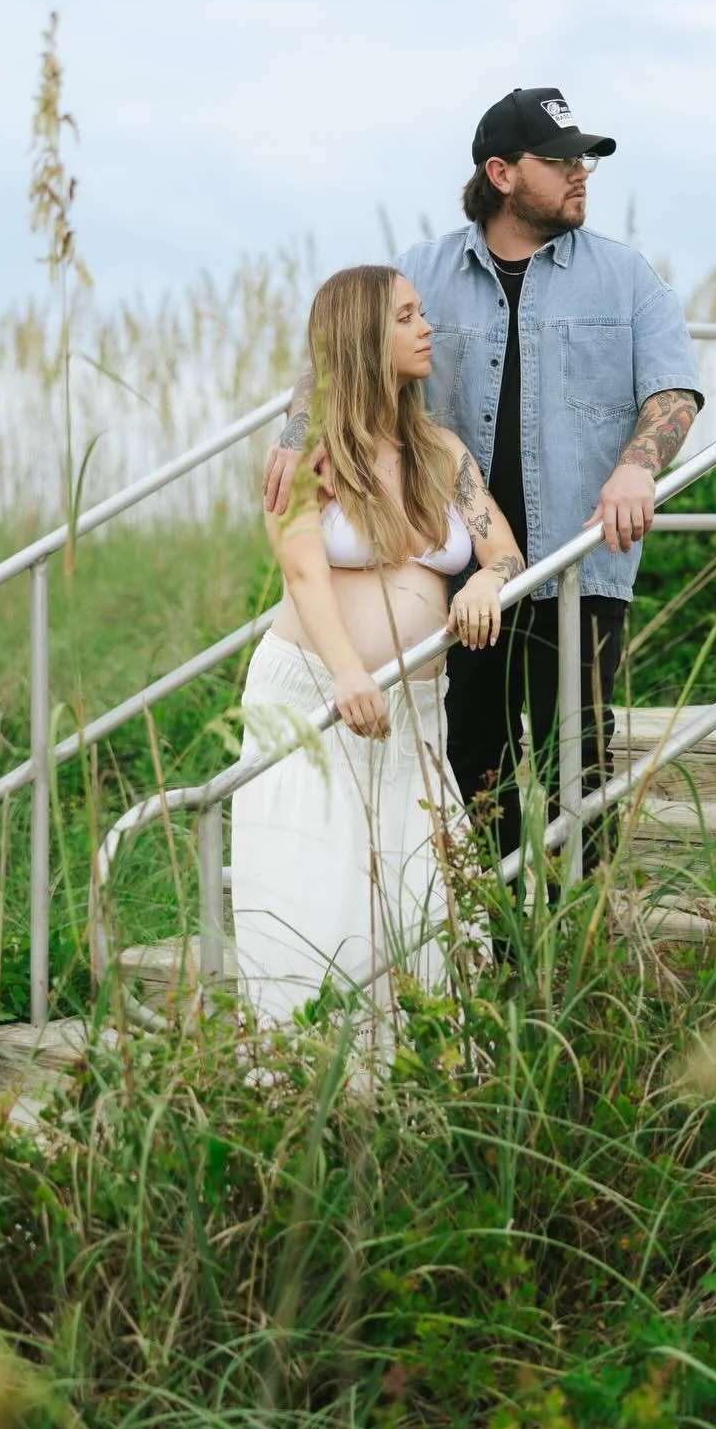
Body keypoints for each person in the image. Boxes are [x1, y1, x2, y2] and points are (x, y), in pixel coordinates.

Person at [263, 87, 703, 875]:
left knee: (584, 771)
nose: (581, 174)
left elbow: (673, 389)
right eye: (561, 159)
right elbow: (344, 356)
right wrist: (298, 434)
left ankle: (577, 954)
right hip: (464, 579)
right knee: (473, 774)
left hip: (582, 568)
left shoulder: (626, 276)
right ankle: (492, 957)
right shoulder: (424, 273)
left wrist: (640, 465)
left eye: (585, 160)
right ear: (501, 172)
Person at [231, 263, 524, 1029]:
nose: (425, 327)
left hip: (418, 720)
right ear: (364, 336)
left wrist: (489, 581)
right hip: (317, 697)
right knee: (319, 904)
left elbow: (504, 549)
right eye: (404, 316)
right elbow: (301, 567)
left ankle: (423, 1098)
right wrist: (348, 671)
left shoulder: (442, 453)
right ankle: (307, 1092)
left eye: (421, 311)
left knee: (424, 906)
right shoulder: (309, 455)